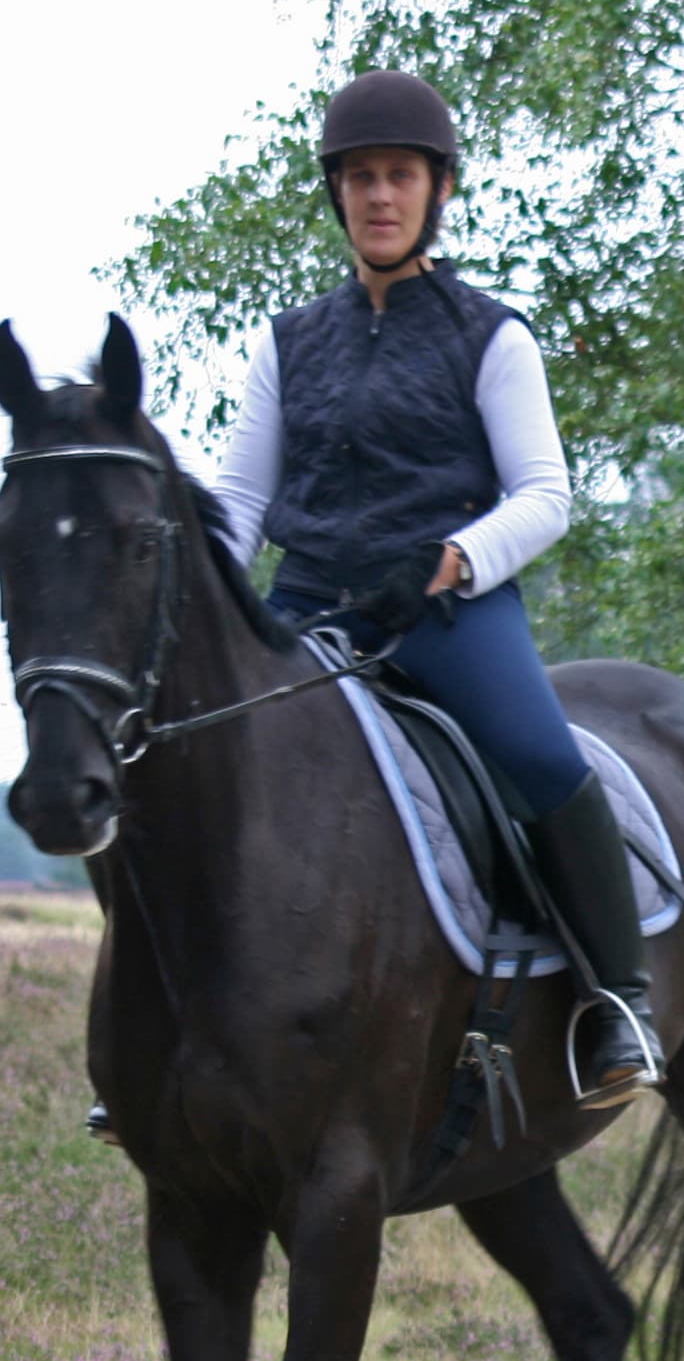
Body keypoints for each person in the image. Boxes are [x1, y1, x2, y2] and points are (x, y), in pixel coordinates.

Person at [207, 68, 660, 1107]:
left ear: (438, 189)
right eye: (360, 177)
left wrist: (454, 561)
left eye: (399, 175)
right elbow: (238, 498)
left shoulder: (490, 337)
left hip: (447, 612)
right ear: (337, 193)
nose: (378, 195)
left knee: (542, 755)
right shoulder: (288, 345)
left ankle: (618, 999)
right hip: (311, 607)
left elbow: (546, 495)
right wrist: (209, 608)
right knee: (204, 756)